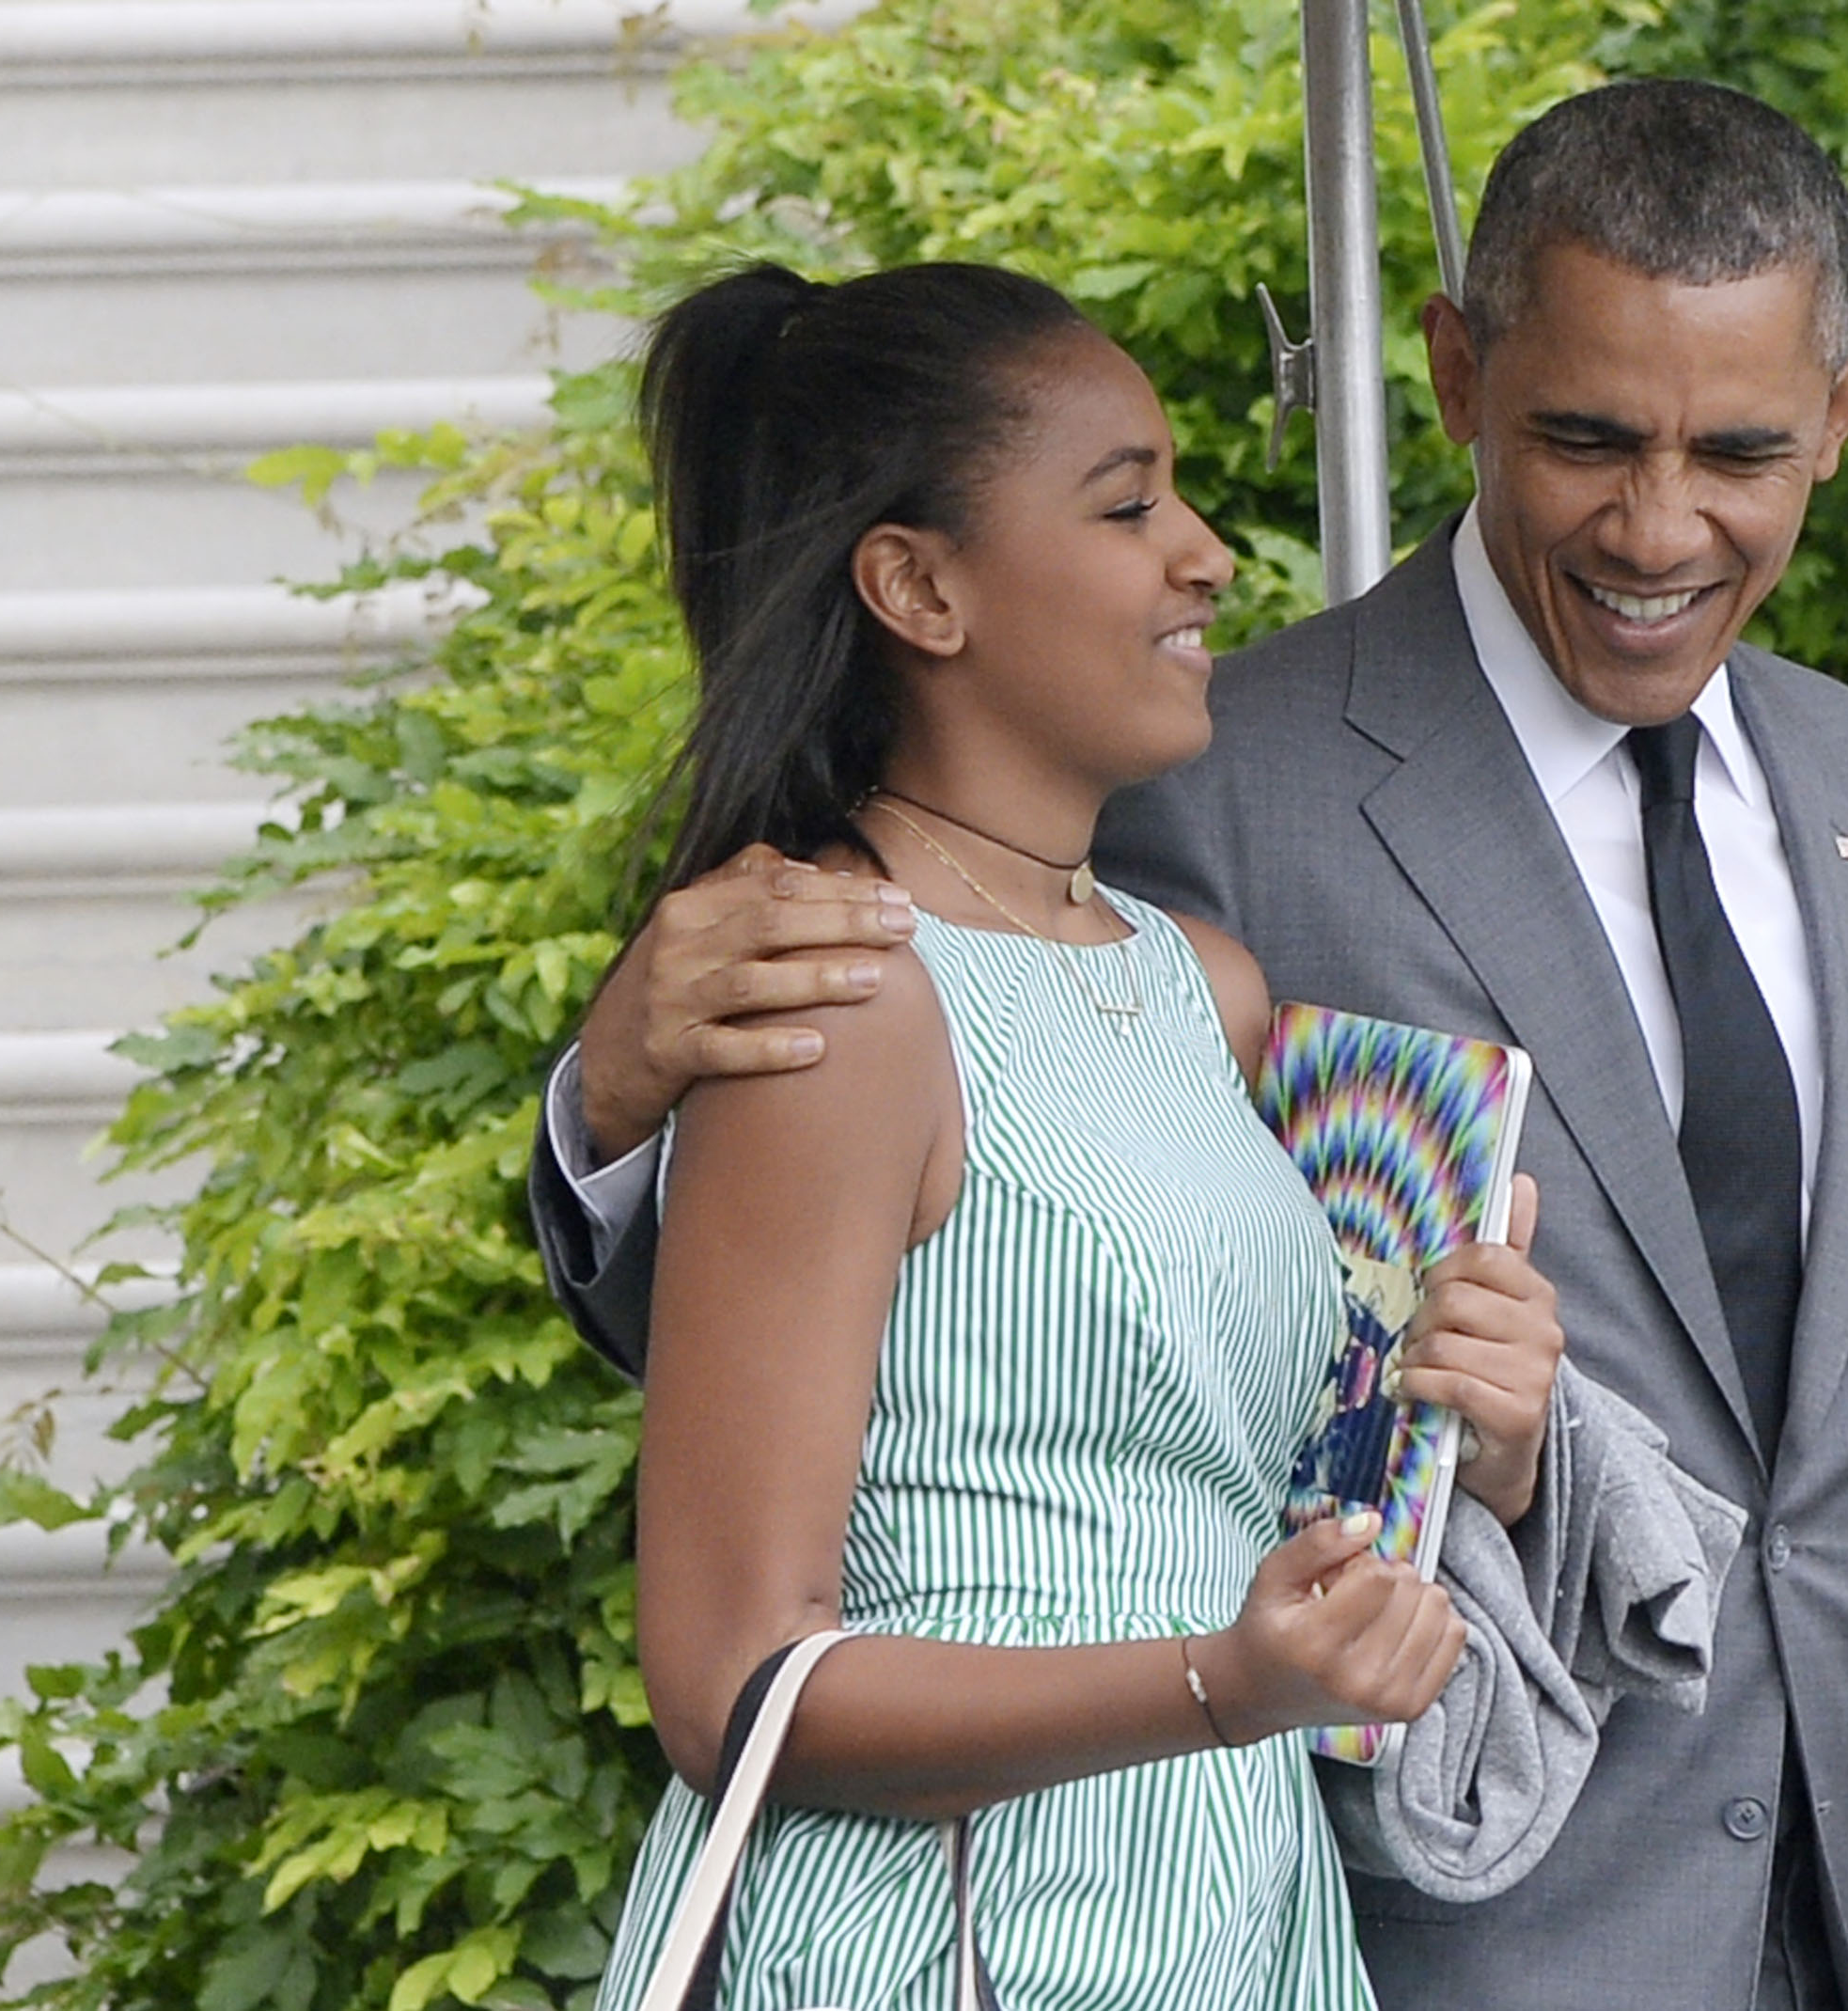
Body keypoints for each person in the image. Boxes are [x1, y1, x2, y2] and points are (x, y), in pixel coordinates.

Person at [535, 81, 1848, 2011]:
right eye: (1582, 437)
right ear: (1457, 375)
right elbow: (914, 1337)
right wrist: (606, 1104)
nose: (1660, 521)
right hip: (1348, 1928)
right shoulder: (1212, 786)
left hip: (1797, 1924)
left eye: (1737, 448)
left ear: (1843, 408)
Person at [575, 257, 1568, 2011]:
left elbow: (1250, 1495)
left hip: (1237, 1922)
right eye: (1129, 506)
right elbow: (733, 1681)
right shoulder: (843, 991)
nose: (1206, 553)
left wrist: (1464, 1432)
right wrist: (1217, 1685)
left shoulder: (1212, 991)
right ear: (918, 586)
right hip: (940, 1945)